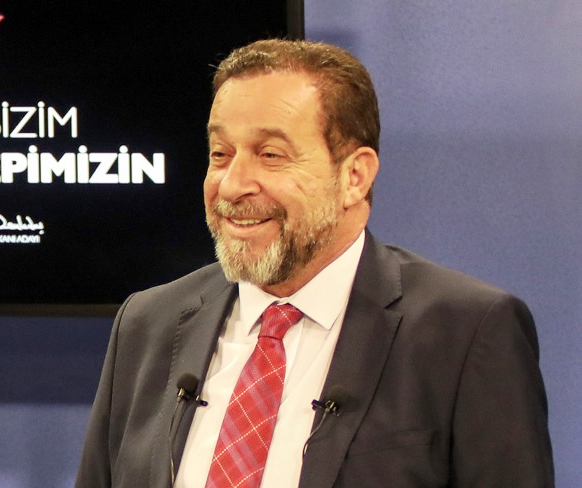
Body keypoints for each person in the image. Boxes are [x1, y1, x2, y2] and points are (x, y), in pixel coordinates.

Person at [74, 39, 553, 488]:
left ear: (354, 176)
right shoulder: (148, 324)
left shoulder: (465, 333)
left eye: (271, 155)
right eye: (220, 154)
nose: (232, 185)